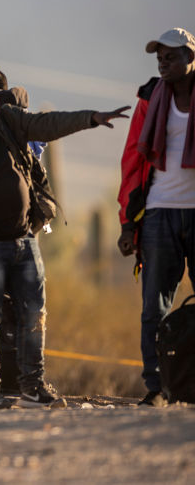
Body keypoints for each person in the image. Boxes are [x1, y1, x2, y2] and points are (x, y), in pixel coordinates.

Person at [0, 70, 128, 408]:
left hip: (23, 240)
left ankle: (33, 387)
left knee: (34, 316)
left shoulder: (7, 120)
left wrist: (90, 118)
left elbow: (46, 124)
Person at [118, 28, 195, 407]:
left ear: (190, 57)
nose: (163, 64)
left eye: (171, 57)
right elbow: (133, 159)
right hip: (159, 212)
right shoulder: (150, 97)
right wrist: (127, 222)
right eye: (159, 58)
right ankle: (157, 385)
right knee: (154, 307)